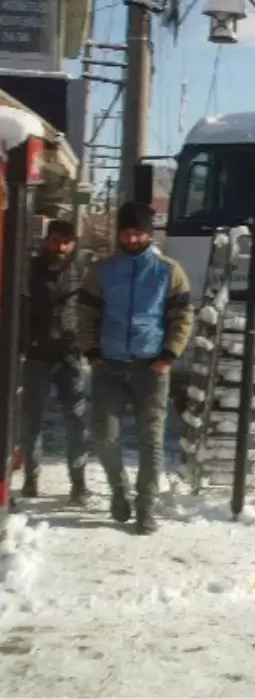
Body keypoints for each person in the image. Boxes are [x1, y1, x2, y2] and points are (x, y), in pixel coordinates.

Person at [76, 201, 194, 535]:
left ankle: (146, 508)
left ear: (149, 233)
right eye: (127, 232)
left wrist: (169, 356)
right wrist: (92, 352)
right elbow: (85, 314)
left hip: (151, 368)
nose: (132, 237)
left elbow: (183, 316)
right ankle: (119, 490)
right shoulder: (102, 271)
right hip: (109, 365)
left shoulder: (168, 272)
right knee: (104, 435)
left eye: (139, 231)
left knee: (150, 441)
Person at [20, 219, 89, 503]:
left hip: (70, 354)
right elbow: (18, 307)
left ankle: (79, 483)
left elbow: (93, 309)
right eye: (57, 240)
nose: (61, 246)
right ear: (47, 240)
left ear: (73, 243)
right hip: (37, 354)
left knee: (76, 419)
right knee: (32, 420)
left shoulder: (82, 270)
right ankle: (31, 478)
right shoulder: (29, 269)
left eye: (67, 241)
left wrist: (86, 344)